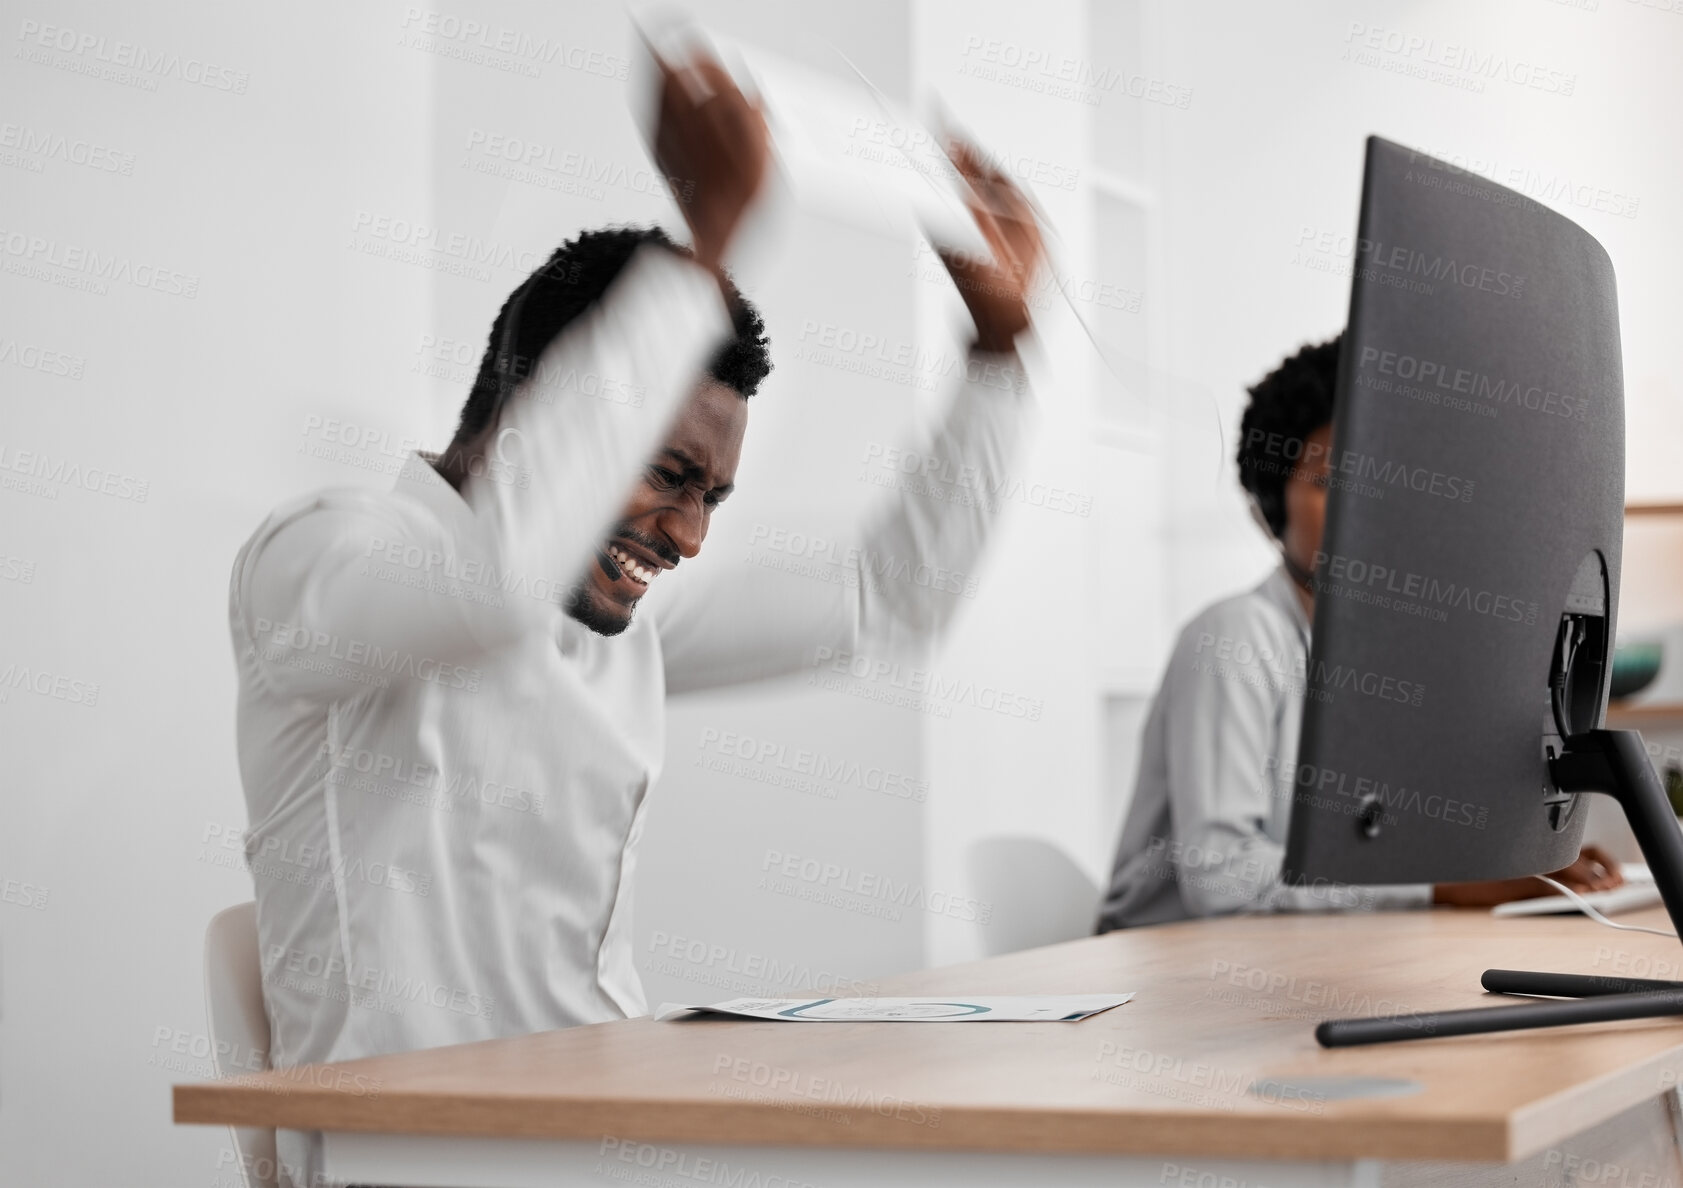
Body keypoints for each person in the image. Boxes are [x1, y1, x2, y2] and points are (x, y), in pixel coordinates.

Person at [229, 49, 1045, 1188]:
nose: (691, 535)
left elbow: (886, 600)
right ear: (546, 403)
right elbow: (493, 590)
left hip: (601, 1139)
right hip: (407, 1159)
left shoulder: (612, 624)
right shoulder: (321, 560)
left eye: (711, 497)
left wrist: (1002, 351)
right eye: (668, 474)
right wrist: (704, 251)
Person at [1095, 333, 1620, 932]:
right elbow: (1221, 879)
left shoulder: (1386, 658)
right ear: (1271, 505)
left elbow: (1378, 850)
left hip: (1292, 955)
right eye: (1328, 481)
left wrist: (1530, 866)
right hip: (1159, 972)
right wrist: (1447, 886)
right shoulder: (1234, 638)